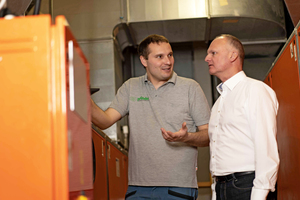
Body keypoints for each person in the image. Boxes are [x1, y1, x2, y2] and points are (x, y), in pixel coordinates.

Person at [91, 34, 210, 199]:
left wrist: (187, 137)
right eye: (159, 56)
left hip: (178, 188)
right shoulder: (130, 87)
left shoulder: (191, 88)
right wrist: (82, 96)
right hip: (138, 189)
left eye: (170, 55)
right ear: (144, 60)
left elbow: (209, 135)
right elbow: (104, 121)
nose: (167, 61)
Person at [205, 34, 280, 200]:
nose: (207, 58)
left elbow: (265, 146)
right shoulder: (219, 103)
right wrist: (215, 192)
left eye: (213, 53)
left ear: (233, 56)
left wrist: (259, 195)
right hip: (222, 187)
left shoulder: (255, 90)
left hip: (247, 186)